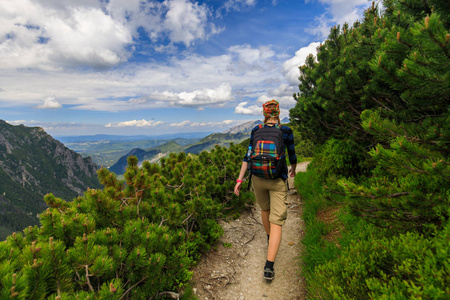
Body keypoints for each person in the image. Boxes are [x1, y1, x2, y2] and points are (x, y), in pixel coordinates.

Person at [234, 99, 297, 281]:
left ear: (264, 114)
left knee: (265, 210)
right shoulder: (285, 131)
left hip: (258, 179)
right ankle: (269, 266)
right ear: (278, 114)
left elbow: (247, 157)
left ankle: (269, 238)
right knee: (277, 220)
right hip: (277, 179)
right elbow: (291, 153)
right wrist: (293, 167)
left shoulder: (256, 131)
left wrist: (239, 180)